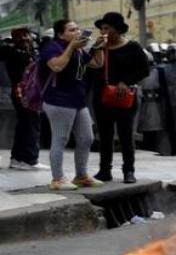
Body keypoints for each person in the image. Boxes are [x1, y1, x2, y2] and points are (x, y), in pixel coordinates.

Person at [40, 19, 105, 190]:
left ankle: (81, 175)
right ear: (61, 34)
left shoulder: (79, 50)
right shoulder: (53, 48)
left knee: (86, 137)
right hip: (58, 100)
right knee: (60, 138)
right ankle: (58, 178)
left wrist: (98, 47)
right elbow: (56, 67)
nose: (77, 32)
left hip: (77, 99)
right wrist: (70, 48)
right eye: (71, 30)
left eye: (78, 29)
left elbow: (97, 64)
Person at [91, 12, 149, 184]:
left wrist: (126, 82)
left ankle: (128, 170)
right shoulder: (99, 48)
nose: (103, 32)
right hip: (102, 98)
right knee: (105, 136)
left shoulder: (133, 47)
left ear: (117, 29)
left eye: (107, 28)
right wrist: (97, 50)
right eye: (102, 28)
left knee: (126, 135)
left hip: (125, 98)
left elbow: (144, 70)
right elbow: (91, 70)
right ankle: (104, 170)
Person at [0, 27, 41, 170]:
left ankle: (23, 158)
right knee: (28, 123)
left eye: (27, 35)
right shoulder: (12, 52)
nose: (26, 38)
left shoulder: (31, 51)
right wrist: (8, 43)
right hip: (20, 92)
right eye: (21, 36)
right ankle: (25, 158)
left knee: (30, 123)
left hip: (33, 92)